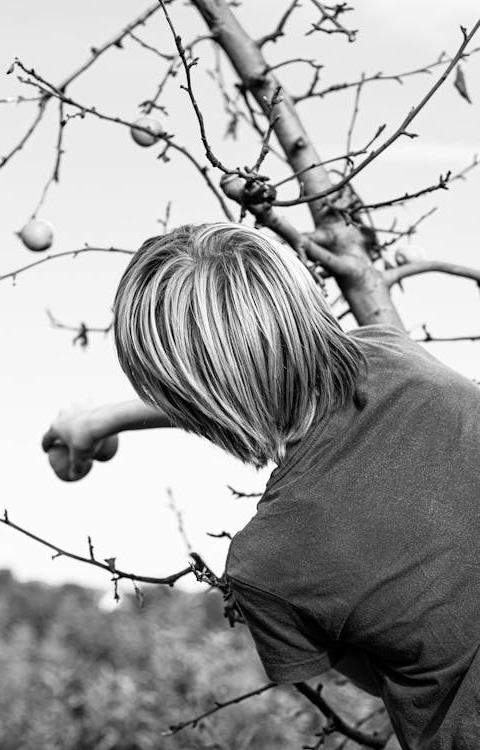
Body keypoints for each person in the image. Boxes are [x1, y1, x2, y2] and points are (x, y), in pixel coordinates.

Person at [42, 222, 480, 749]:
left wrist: (102, 419)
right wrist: (100, 420)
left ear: (183, 397)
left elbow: (386, 680)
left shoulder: (269, 566)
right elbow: (285, 378)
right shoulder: (396, 354)